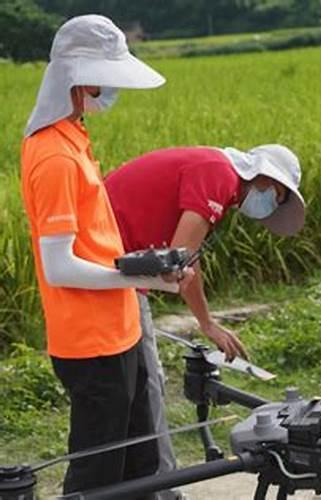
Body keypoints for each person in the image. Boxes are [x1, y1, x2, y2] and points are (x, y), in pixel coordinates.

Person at [20, 15, 190, 497]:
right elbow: (59, 266)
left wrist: (141, 270)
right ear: (78, 78)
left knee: (138, 465)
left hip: (120, 330)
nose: (111, 91)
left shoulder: (74, 138)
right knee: (98, 477)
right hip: (90, 342)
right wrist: (143, 281)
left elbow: (92, 242)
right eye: (106, 80)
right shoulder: (53, 155)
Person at [104, 144, 306, 486]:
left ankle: (147, 482)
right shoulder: (218, 173)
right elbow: (179, 259)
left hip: (114, 266)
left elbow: (184, 261)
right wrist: (206, 322)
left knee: (138, 385)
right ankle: (163, 485)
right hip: (108, 264)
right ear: (262, 178)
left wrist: (206, 323)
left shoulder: (215, 172)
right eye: (277, 194)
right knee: (148, 383)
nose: (272, 203)